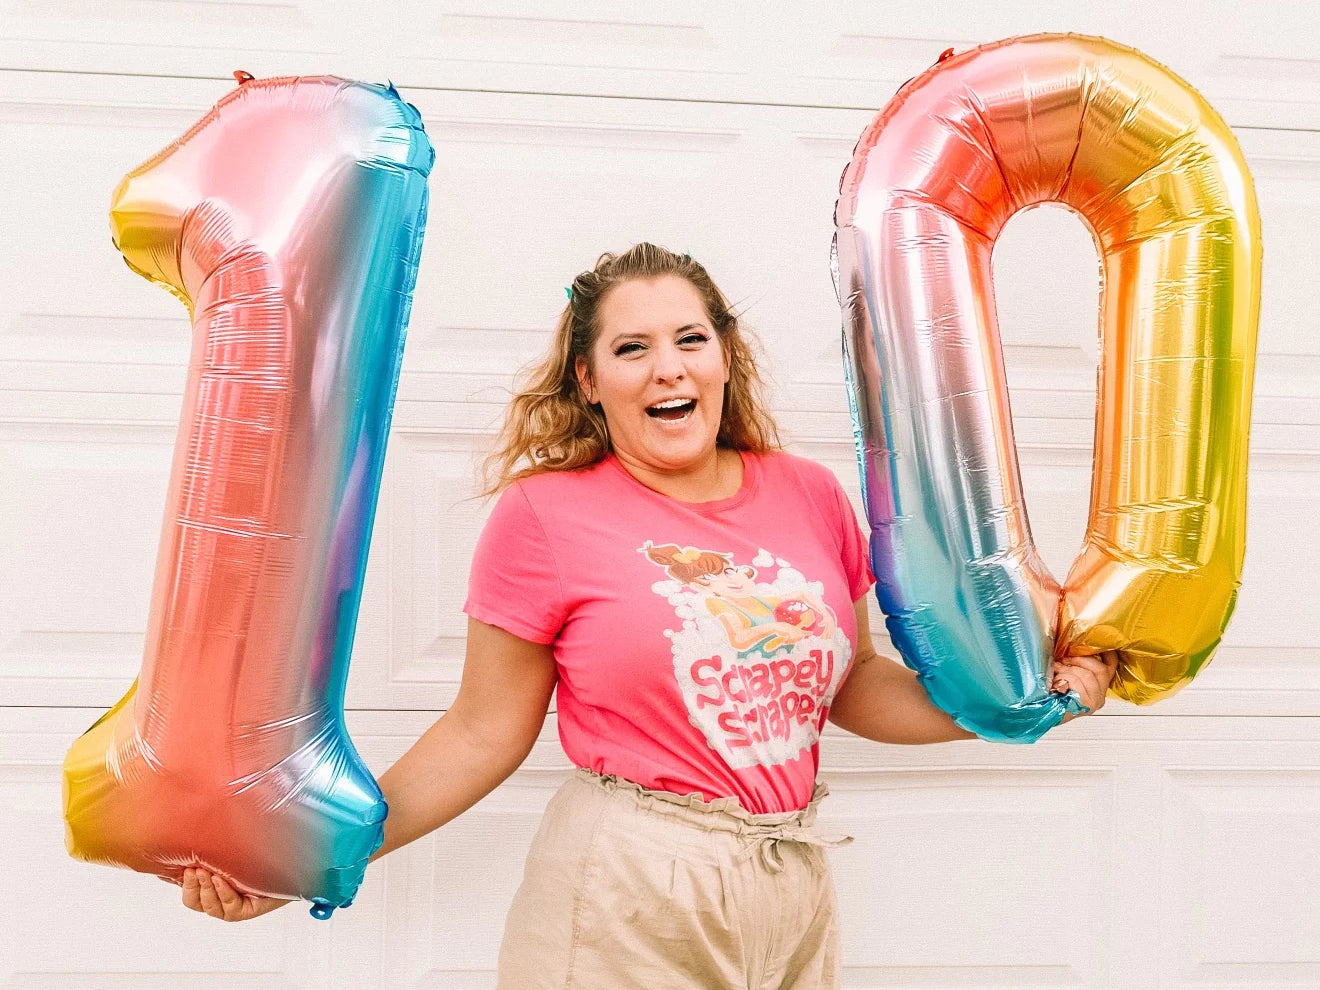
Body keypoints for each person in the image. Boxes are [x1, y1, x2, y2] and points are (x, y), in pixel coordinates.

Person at [177, 243, 1118, 988]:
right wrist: (312, 859)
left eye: (690, 339)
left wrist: (1031, 697)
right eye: (631, 349)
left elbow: (855, 687)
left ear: (723, 356)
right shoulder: (545, 517)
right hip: (628, 888)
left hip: (788, 885)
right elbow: (477, 734)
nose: (668, 368)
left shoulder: (811, 496)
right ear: (589, 380)